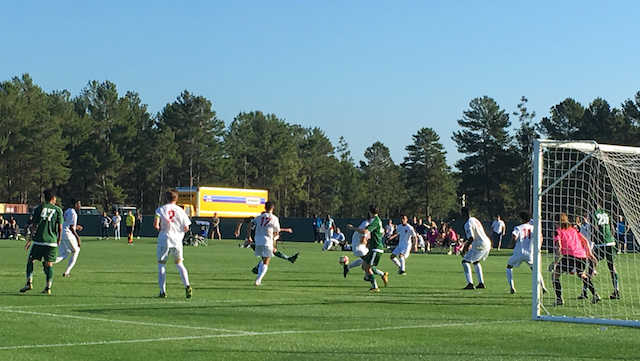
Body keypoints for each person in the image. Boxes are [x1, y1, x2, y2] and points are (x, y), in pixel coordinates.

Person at [20, 188, 64, 294]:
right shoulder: (58, 210)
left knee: (31, 260)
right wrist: (59, 239)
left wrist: (29, 240)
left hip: (39, 240)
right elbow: (60, 227)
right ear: (53, 198)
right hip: (51, 241)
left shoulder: (38, 208)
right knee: (49, 264)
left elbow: (34, 225)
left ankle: (29, 282)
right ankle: (48, 287)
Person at [550, 213, 599, 306]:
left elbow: (559, 247)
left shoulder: (557, 231)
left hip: (570, 256)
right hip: (581, 256)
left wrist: (555, 261)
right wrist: (589, 253)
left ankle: (559, 299)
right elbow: (584, 240)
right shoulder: (573, 230)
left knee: (555, 275)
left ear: (556, 221)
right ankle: (595, 294)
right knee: (582, 275)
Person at [154, 188, 193, 298]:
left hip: (164, 239)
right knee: (179, 264)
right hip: (176, 240)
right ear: (177, 198)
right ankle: (187, 285)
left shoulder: (160, 210)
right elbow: (186, 228)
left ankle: (162, 291)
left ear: (166, 197)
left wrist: (161, 229)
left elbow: (156, 225)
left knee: (161, 264)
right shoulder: (181, 211)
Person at [347, 204, 389, 292]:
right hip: (373, 248)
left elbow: (365, 231)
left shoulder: (375, 221)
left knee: (367, 267)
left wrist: (353, 228)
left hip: (376, 248)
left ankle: (375, 286)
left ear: (370, 212)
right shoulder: (376, 220)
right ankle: (381, 276)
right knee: (364, 266)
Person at [506, 210, 547, 294]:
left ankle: (512, 287)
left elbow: (514, 236)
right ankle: (543, 287)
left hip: (519, 252)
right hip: (530, 253)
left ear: (521, 218)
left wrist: (510, 244)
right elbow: (539, 237)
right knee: (535, 270)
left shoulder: (518, 227)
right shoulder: (533, 228)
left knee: (509, 266)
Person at [590, 208, 620, 300]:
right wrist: (611, 238)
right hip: (610, 241)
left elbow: (594, 228)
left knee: (591, 264)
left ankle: (585, 291)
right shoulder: (606, 213)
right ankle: (616, 290)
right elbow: (612, 228)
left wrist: (593, 241)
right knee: (612, 267)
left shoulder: (593, 214)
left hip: (600, 243)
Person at [460, 207, 492, 290]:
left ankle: (470, 283)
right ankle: (481, 283)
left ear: (464, 214)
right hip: (487, 243)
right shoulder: (474, 219)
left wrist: (464, 249)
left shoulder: (467, 223)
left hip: (479, 245)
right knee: (476, 262)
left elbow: (471, 238)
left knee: (465, 262)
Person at [253, 201, 281, 286]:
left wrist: (249, 237)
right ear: (272, 208)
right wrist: (274, 244)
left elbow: (250, 224)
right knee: (267, 261)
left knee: (264, 259)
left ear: (265, 208)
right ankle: (258, 280)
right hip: (267, 240)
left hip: (258, 239)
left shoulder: (259, 217)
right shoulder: (274, 218)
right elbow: (276, 232)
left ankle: (258, 279)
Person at [54, 199, 83, 277]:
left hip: (62, 233)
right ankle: (67, 272)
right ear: (75, 204)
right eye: (79, 203)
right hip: (68, 234)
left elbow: (67, 224)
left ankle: (49, 261)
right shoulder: (73, 213)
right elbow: (70, 228)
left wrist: (76, 227)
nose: (80, 205)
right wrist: (78, 238)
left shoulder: (67, 211)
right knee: (76, 251)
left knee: (65, 254)